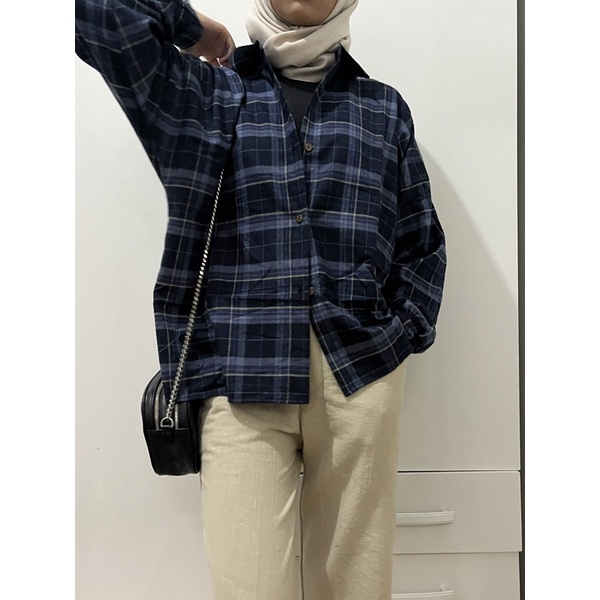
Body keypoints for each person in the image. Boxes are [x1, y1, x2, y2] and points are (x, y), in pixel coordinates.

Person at [75, 1, 447, 598]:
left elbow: (420, 242)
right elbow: (94, 14)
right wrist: (192, 29)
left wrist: (399, 338)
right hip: (240, 376)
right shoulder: (206, 94)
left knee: (355, 588)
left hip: (360, 376)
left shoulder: (382, 108)